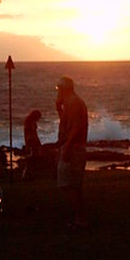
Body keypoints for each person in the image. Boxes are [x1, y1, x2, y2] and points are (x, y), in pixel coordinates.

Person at [55, 76, 89, 229]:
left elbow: (75, 127)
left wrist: (67, 147)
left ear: (64, 89)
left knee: (68, 185)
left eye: (58, 89)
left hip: (73, 148)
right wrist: (59, 108)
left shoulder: (74, 103)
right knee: (72, 185)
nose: (58, 92)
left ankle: (80, 219)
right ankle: (79, 217)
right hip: (72, 146)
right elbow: (67, 122)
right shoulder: (70, 103)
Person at [22, 109, 42, 180]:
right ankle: (28, 174)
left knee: (30, 158)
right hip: (32, 141)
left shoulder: (27, 122)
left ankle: (27, 173)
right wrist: (38, 142)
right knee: (32, 158)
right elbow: (34, 133)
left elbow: (26, 133)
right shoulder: (32, 122)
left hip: (28, 140)